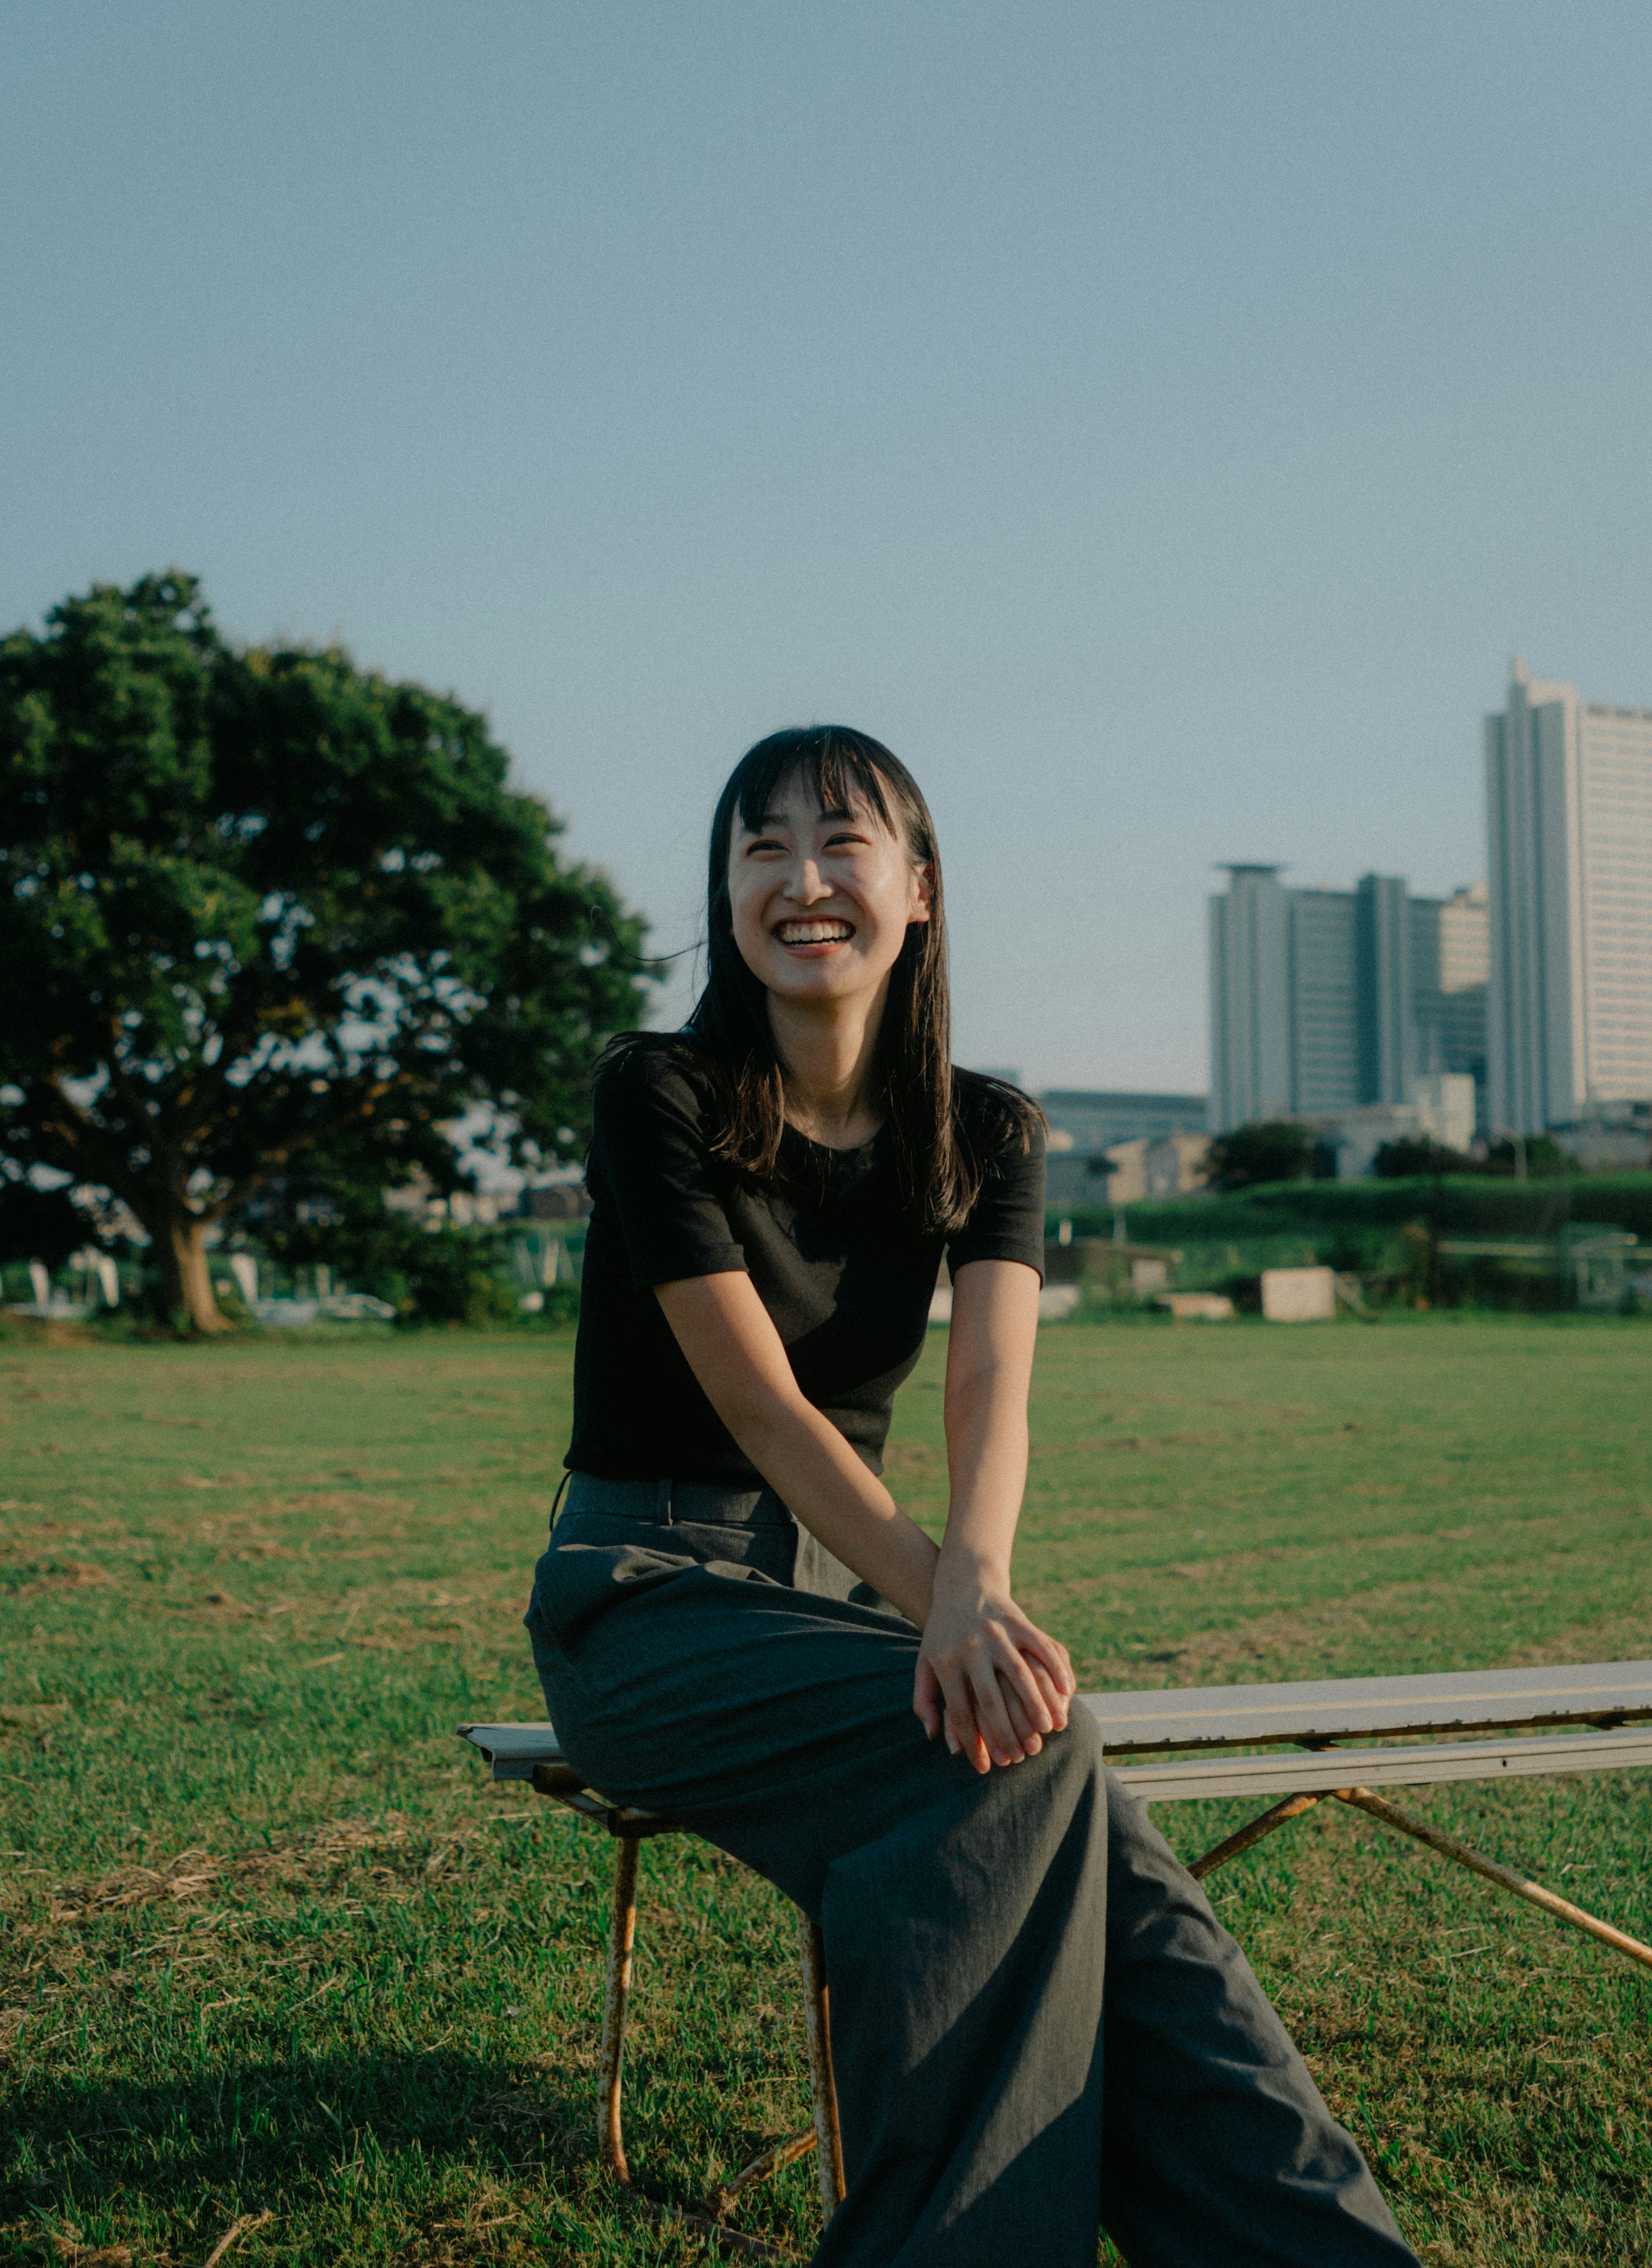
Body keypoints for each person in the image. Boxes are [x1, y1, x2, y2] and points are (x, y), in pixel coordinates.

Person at [527, 725, 1419, 2267]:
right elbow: (761, 1402)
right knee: (1021, 1752)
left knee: (1056, 1786)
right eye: (761, 850)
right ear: (727, 892)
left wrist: (975, 1588)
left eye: (841, 842)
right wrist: (944, 1602)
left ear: (920, 888)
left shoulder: (990, 1126)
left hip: (841, 1600)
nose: (801, 880)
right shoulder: (656, 1092)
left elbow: (992, 1383)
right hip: (646, 1597)